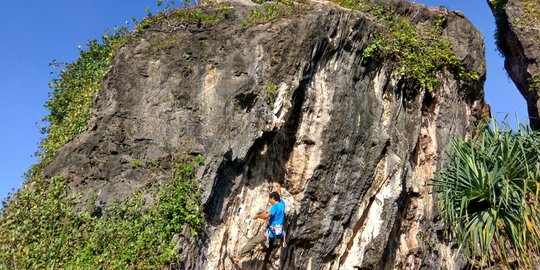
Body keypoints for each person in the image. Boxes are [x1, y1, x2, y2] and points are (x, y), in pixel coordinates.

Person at [234, 182, 286, 262]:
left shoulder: (274, 207)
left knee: (253, 241)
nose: (269, 200)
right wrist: (278, 187)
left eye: (270, 199)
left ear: (272, 198)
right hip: (278, 232)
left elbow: (266, 216)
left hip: (271, 232)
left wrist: (257, 216)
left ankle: (239, 257)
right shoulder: (282, 204)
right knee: (259, 239)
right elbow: (279, 195)